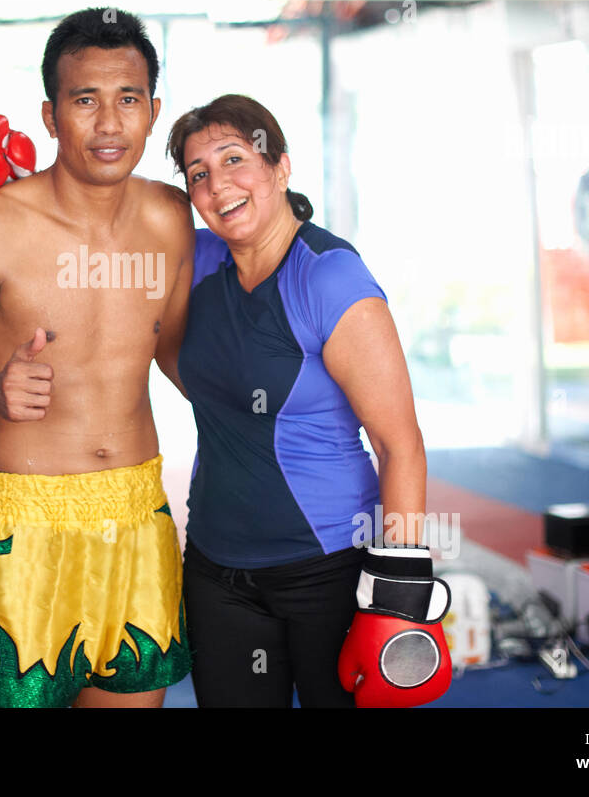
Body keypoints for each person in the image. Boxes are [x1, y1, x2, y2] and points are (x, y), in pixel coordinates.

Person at [0, 7, 195, 708]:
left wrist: (276, 400)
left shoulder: (171, 218)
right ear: (50, 115)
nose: (109, 124)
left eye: (128, 99)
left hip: (138, 516)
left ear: (154, 111)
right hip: (26, 524)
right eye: (84, 101)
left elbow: (180, 356)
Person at [161, 94, 434, 707]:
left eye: (235, 159)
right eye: (198, 173)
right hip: (215, 564)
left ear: (280, 167)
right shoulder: (199, 263)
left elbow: (400, 445)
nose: (217, 184)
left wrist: (398, 593)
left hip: (329, 568)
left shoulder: (330, 278)